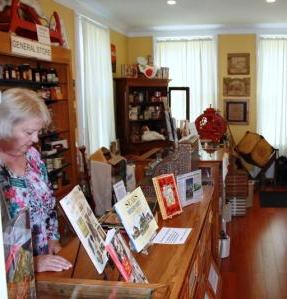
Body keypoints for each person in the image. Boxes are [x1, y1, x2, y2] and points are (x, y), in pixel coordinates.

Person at [0, 88, 72, 272]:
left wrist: (53, 239)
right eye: (29, 132)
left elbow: (49, 202)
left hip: (45, 262)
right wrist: (32, 263)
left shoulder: (32, 155)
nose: (35, 139)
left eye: (38, 131)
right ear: (4, 126)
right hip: (12, 274)